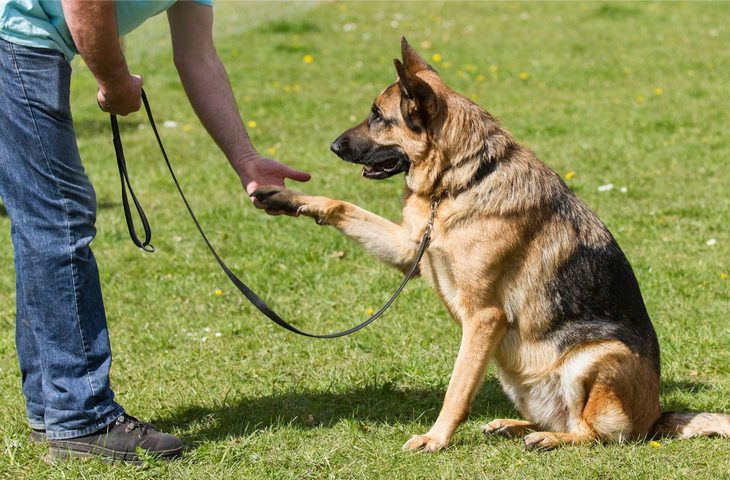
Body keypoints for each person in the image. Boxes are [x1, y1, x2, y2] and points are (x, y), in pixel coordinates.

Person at [0, 0, 310, 463]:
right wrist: (114, 81)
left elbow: (197, 55)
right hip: (15, 43)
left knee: (46, 220)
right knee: (58, 217)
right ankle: (81, 418)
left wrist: (246, 159)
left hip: (30, 45)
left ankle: (56, 410)